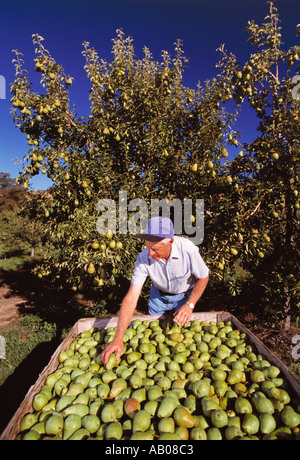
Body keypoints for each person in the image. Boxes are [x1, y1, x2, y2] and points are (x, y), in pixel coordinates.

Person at [101, 216, 209, 364]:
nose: (150, 254)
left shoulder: (187, 250)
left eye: (155, 249)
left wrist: (190, 304)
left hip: (184, 296)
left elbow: (203, 277)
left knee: (181, 337)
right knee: (155, 336)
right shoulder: (144, 257)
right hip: (158, 297)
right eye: (147, 247)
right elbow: (131, 297)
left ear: (170, 242)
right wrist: (118, 339)